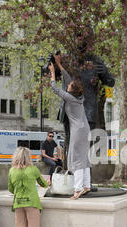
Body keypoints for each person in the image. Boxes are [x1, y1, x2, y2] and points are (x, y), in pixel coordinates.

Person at [49, 62, 91, 200]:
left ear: (71, 90)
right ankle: (86, 185)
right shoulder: (79, 97)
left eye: (69, 86)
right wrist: (59, 63)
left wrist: (52, 72)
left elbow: (55, 88)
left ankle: (78, 189)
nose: (67, 85)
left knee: (77, 159)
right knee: (84, 157)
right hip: (85, 129)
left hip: (78, 131)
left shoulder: (70, 98)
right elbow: (67, 78)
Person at [8, 147, 49, 227]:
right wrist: (48, 183)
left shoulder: (12, 171)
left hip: (18, 203)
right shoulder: (33, 169)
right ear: (28, 156)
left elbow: (10, 188)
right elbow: (43, 184)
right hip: (32, 203)